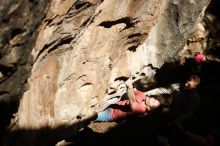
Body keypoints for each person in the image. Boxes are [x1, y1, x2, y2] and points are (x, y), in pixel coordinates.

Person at [158, 75, 202, 146]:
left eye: (189, 84)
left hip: (179, 122)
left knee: (172, 138)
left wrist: (175, 122)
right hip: (170, 115)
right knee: (162, 133)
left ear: (195, 86)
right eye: (186, 82)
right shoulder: (180, 87)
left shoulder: (196, 98)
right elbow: (164, 89)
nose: (186, 84)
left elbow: (189, 114)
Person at [95, 79, 160, 122]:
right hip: (111, 104)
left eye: (153, 102)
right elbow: (134, 90)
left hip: (109, 114)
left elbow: (132, 101)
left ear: (148, 108)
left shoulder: (141, 110)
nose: (153, 99)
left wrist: (129, 86)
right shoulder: (142, 95)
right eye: (155, 99)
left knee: (90, 115)